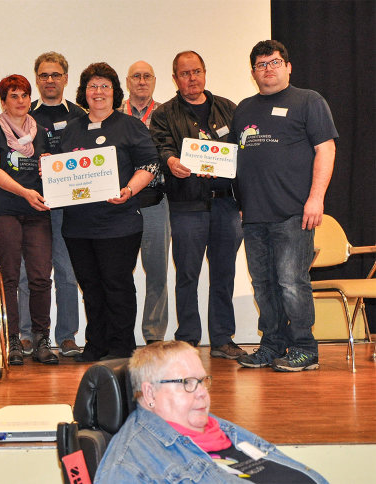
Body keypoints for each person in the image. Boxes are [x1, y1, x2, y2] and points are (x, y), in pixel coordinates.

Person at [233, 40, 338, 372]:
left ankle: (305, 347)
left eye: (275, 62)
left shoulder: (309, 100)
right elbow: (238, 159)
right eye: (262, 65)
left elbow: (326, 149)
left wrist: (316, 198)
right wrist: (239, 202)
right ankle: (272, 344)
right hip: (253, 215)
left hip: (294, 211)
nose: (269, 69)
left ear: (288, 66)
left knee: (292, 282)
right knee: (262, 284)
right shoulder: (244, 109)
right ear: (253, 72)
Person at [94, 341, 328, 483]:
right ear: (150, 394)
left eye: (203, 381)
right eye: (187, 382)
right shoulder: (129, 465)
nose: (201, 393)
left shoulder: (221, 429)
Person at [149, 51, 245, 359]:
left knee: (224, 273)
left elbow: (243, 152)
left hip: (226, 204)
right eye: (185, 73)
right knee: (187, 275)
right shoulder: (164, 113)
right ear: (175, 78)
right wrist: (171, 161)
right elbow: (160, 146)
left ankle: (222, 339)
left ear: (205, 73)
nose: (192, 78)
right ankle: (187, 339)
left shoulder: (228, 108)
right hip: (186, 204)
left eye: (197, 71)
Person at [60, 63, 158, 362]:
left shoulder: (130, 125)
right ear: (84, 93)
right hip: (78, 225)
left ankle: (120, 346)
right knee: (90, 287)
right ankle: (95, 345)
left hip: (120, 223)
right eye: (92, 86)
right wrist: (51, 167)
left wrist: (128, 190)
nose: (98, 92)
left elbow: (150, 165)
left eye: (104, 86)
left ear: (114, 92)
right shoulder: (72, 128)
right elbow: (63, 170)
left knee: (117, 285)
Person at [0, 74, 58, 365]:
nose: (20, 100)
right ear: (3, 101)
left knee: (40, 277)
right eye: (13, 95)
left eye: (24, 95)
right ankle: (11, 339)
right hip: (4, 211)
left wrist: (50, 167)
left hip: (38, 211)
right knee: (9, 278)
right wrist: (25, 192)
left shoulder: (42, 131)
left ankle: (41, 339)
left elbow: (53, 167)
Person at [17, 52, 83, 358]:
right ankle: (28, 333)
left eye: (56, 74)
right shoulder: (23, 116)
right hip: (35, 206)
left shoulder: (82, 116)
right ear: (36, 79)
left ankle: (67, 335)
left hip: (71, 207)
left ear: (66, 78)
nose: (50, 80)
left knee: (68, 273)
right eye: (44, 75)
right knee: (31, 273)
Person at [119, 60, 170, 346]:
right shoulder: (115, 116)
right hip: (122, 204)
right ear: (128, 82)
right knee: (119, 273)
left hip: (155, 200)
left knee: (157, 271)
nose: (141, 81)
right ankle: (122, 334)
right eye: (135, 76)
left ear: (154, 80)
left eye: (146, 76)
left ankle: (154, 336)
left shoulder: (165, 114)